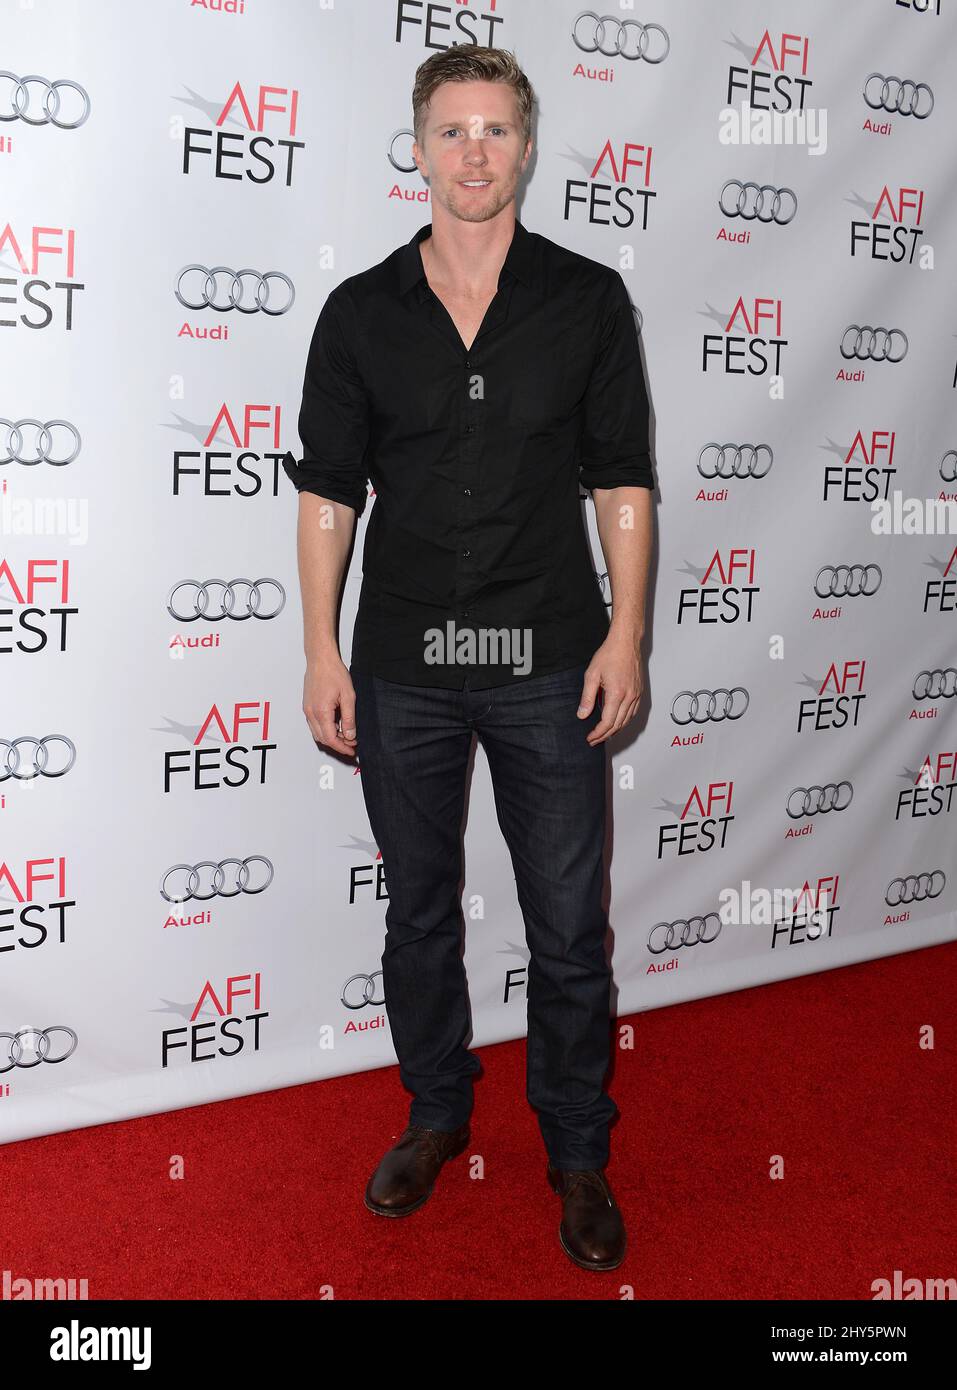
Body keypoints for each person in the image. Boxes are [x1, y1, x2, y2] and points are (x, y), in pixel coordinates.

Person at [283, 46, 654, 1272]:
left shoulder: (589, 300)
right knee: (419, 911)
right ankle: (437, 1111)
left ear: (529, 148)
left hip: (550, 657)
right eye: (453, 130)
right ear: (420, 147)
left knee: (566, 922)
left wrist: (629, 633)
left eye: (497, 129)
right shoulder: (359, 313)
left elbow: (622, 481)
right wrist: (318, 651)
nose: (476, 152)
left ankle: (577, 1147)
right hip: (403, 664)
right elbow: (331, 494)